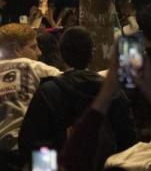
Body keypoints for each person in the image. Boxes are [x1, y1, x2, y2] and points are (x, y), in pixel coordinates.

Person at [19, 27, 136, 160]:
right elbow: (127, 136)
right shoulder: (112, 91)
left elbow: (34, 141)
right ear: (92, 54)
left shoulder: (47, 92)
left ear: (61, 54)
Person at [0, 23, 63, 168]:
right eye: (33, 47)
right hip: (30, 148)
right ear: (17, 49)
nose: (39, 52)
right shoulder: (30, 65)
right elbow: (73, 80)